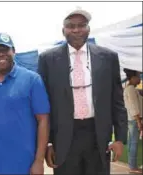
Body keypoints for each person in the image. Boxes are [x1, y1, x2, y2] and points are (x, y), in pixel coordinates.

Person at [38, 8, 128, 174]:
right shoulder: (47, 59)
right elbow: (44, 103)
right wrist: (48, 143)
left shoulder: (108, 57)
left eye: (81, 25)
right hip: (64, 138)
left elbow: (117, 100)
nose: (76, 30)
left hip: (98, 136)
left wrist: (120, 138)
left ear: (88, 29)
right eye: (71, 26)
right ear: (63, 30)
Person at [0, 33, 50, 174]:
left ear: (14, 51)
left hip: (23, 162)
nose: (1, 54)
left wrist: (39, 161)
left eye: (5, 50)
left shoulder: (32, 79)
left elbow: (44, 120)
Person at [123, 68, 142, 174]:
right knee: (133, 142)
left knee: (131, 142)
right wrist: (139, 121)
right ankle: (133, 166)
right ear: (133, 78)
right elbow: (133, 106)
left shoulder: (130, 89)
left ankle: (131, 165)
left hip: (132, 119)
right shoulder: (130, 89)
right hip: (134, 120)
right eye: (138, 76)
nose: (139, 79)